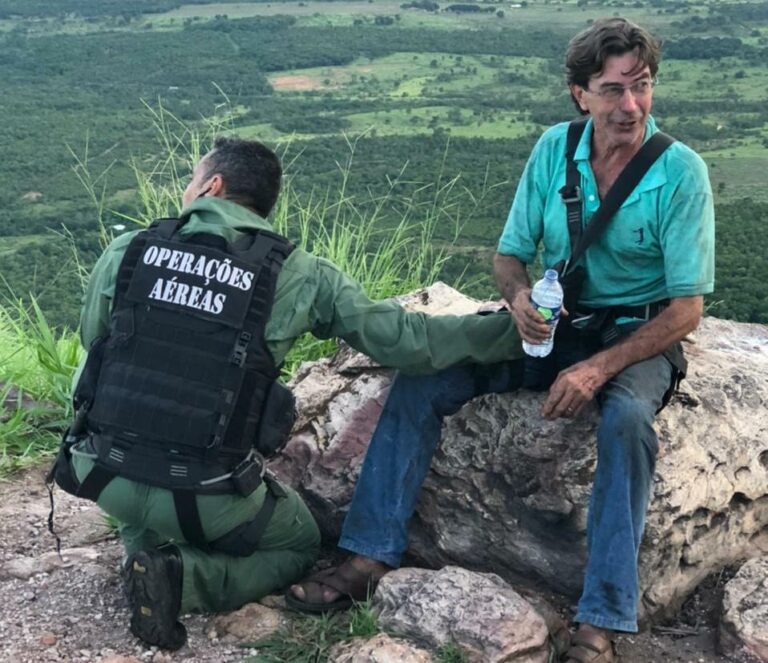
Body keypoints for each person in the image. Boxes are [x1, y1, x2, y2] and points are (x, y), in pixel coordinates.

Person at [288, 18, 714, 663]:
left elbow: (686, 311)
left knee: (627, 421)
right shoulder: (554, 150)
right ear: (580, 94)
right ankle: (368, 555)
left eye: (642, 86)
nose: (631, 105)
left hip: (635, 332)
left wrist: (597, 370)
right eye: (612, 89)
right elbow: (509, 256)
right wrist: (518, 301)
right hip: (553, 322)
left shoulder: (679, 172)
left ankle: (602, 617)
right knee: (427, 377)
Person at [52, 136, 527, 651]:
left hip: (101, 473)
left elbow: (94, 345)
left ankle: (139, 550)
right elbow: (409, 341)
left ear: (212, 186)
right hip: (200, 495)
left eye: (192, 180)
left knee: (135, 429)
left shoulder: (128, 249)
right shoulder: (298, 272)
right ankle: (183, 577)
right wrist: (517, 331)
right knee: (300, 543)